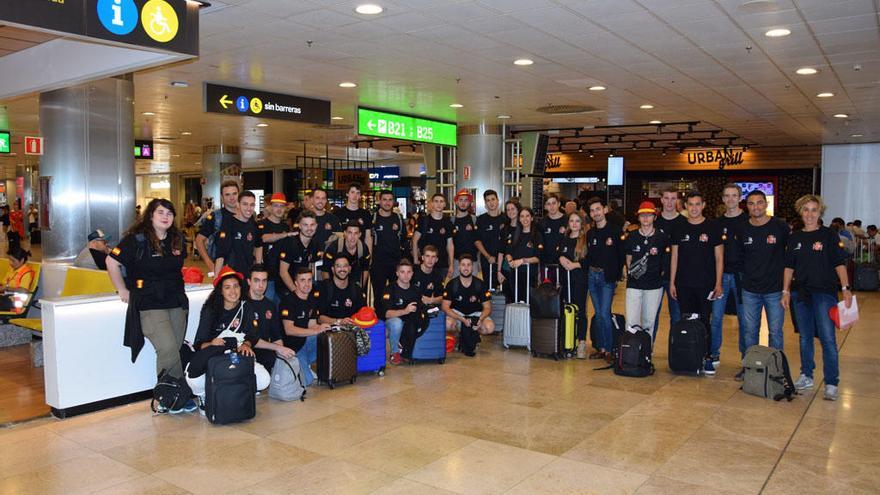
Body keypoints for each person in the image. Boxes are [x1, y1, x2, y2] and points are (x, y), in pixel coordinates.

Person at [106, 198, 193, 413]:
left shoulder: (177, 239)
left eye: (169, 213)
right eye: (160, 212)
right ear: (151, 215)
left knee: (176, 347)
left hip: (175, 300)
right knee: (167, 348)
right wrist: (122, 290)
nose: (165, 217)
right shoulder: (136, 240)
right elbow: (111, 262)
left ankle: (176, 395)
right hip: (149, 302)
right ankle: (168, 397)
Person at [782, 195, 851, 401]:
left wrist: (846, 288)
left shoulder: (829, 235)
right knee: (805, 337)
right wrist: (785, 291)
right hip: (800, 293)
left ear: (820, 213)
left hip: (824, 293)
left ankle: (831, 382)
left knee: (828, 338)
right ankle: (806, 375)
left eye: (814, 210)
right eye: (806, 210)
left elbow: (839, 264)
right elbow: (788, 267)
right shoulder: (794, 238)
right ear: (800, 212)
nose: (810, 214)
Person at [186, 267, 271, 406]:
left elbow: (253, 335)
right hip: (214, 358)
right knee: (192, 379)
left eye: (236, 286)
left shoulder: (246, 307)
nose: (233, 291)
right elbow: (198, 343)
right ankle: (204, 396)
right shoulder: (211, 310)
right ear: (220, 290)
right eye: (227, 287)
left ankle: (234, 392)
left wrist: (246, 344)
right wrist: (212, 343)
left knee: (264, 380)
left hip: (236, 355)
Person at [669, 191, 723, 375]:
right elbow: (674, 256)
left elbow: (719, 258)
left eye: (697, 204)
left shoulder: (713, 227)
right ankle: (688, 356)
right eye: (690, 204)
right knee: (686, 321)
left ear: (703, 205)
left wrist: (718, 283)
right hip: (683, 283)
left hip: (706, 284)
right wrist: (672, 282)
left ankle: (707, 357)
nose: (693, 208)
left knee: (704, 322)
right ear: (685, 206)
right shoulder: (679, 228)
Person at [738, 190, 789, 381]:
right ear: (747, 206)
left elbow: (788, 257)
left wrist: (786, 288)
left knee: (775, 332)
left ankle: (777, 370)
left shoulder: (780, 227)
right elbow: (741, 257)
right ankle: (749, 367)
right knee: (750, 331)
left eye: (759, 203)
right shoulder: (743, 229)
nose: (756, 207)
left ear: (765, 204)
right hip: (750, 289)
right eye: (751, 204)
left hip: (775, 290)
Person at [710, 184, 747, 372]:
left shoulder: (748, 221)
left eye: (734, 195)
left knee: (744, 319)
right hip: (721, 276)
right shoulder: (717, 224)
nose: (731, 199)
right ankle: (714, 353)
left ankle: (746, 357)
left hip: (743, 277)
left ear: (740, 198)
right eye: (727, 196)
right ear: (723, 199)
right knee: (716, 317)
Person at [624, 201, 670, 343]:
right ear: (638, 217)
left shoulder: (662, 238)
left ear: (654, 217)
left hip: (654, 286)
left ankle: (645, 356)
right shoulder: (632, 236)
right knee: (631, 322)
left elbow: (665, 260)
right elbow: (628, 259)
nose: (645, 218)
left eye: (649, 215)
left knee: (648, 323)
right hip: (634, 285)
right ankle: (631, 356)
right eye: (642, 215)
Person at [585, 197, 625, 361]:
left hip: (607, 278)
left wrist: (616, 275)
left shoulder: (615, 231)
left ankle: (609, 349)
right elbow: (588, 256)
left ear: (605, 210)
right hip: (592, 276)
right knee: (598, 313)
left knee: (604, 313)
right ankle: (601, 347)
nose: (596, 213)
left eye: (598, 209)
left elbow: (620, 255)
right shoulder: (590, 233)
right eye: (592, 210)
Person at [280, 267, 330, 387]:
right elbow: (289, 330)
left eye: (309, 280)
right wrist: (316, 330)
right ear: (296, 283)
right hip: (292, 347)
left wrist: (325, 327)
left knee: (326, 336)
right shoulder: (288, 301)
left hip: (304, 342)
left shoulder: (312, 300)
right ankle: (292, 365)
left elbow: (312, 325)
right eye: (302, 280)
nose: (307, 284)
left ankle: (304, 364)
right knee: (306, 381)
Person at [442, 254, 494, 356]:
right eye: (463, 265)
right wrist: (461, 318)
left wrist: (480, 319)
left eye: (469, 265)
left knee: (489, 327)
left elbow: (488, 308)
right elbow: (445, 307)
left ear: (472, 267)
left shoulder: (480, 284)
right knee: (448, 323)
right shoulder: (452, 284)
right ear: (459, 267)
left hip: (475, 314)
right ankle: (459, 337)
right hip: (458, 314)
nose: (466, 268)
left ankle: (474, 337)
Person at [654, 187, 686, 339]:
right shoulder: (654, 222)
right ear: (661, 200)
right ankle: (648, 350)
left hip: (678, 277)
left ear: (678, 201)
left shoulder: (684, 223)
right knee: (652, 316)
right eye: (666, 198)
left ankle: (676, 349)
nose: (669, 202)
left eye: (673, 198)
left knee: (677, 317)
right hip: (656, 276)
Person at [558, 211, 590, 358]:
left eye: (577, 221)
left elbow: (589, 260)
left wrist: (574, 265)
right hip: (566, 281)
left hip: (579, 281)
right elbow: (559, 254)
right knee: (566, 310)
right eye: (572, 221)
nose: (574, 224)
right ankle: (567, 339)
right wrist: (561, 259)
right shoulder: (564, 239)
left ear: (581, 224)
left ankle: (581, 342)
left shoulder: (585, 240)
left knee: (580, 311)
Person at [195, 180, 240, 275]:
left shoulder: (247, 215)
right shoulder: (215, 217)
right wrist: (211, 265)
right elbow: (199, 240)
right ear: (222, 197)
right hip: (223, 270)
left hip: (245, 270)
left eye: (234, 194)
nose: (232, 198)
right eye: (227, 195)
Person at [256, 193, 294, 304]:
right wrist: (285, 235)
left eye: (282, 206)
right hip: (267, 276)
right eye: (276, 206)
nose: (279, 209)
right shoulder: (261, 224)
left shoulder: (285, 227)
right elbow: (264, 238)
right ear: (271, 207)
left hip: (282, 276)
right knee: (267, 307)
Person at [369, 190, 406, 303]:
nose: (387, 202)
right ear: (379, 201)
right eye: (384, 200)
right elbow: (368, 239)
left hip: (395, 263)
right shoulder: (373, 219)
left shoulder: (398, 219)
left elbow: (404, 241)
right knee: (379, 295)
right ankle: (380, 318)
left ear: (393, 202)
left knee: (396, 294)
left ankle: (396, 318)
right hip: (378, 264)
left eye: (390, 200)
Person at [382, 260, 422, 364]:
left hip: (410, 323)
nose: (406, 275)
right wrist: (405, 311)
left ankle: (408, 352)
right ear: (397, 273)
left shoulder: (416, 290)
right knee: (397, 323)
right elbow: (387, 314)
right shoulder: (389, 289)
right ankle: (394, 353)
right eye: (402, 272)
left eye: (409, 272)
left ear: (412, 274)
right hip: (392, 323)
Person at [214, 190, 259, 278]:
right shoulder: (229, 223)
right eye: (245, 204)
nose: (249, 208)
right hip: (232, 276)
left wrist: (258, 267)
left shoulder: (253, 224)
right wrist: (216, 278)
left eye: (252, 205)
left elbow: (259, 244)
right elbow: (221, 254)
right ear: (238, 205)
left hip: (249, 275)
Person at [501, 207, 542, 304]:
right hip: (514, 275)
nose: (525, 219)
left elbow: (538, 258)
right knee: (514, 301)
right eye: (522, 216)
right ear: (519, 219)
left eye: (527, 216)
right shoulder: (515, 234)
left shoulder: (537, 236)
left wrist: (522, 261)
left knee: (528, 302)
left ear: (532, 218)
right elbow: (508, 252)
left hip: (530, 275)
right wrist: (510, 260)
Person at [413, 193, 454, 281]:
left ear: (445, 204)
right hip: (425, 263)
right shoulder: (423, 221)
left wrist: (451, 265)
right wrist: (415, 260)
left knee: (439, 290)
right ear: (431, 203)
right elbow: (415, 241)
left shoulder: (447, 222)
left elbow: (450, 245)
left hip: (442, 264)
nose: (439, 204)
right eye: (436, 201)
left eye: (441, 201)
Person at [315, 256, 366, 326]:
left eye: (345, 266)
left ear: (349, 269)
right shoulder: (324, 288)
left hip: (351, 329)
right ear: (333, 269)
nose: (342, 269)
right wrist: (339, 321)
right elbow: (319, 318)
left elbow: (363, 313)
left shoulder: (356, 289)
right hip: (329, 330)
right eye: (338, 266)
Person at [279, 211, 321, 294]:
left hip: (303, 287)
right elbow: (283, 272)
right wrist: (296, 293)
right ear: (300, 226)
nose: (309, 228)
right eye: (305, 225)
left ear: (316, 226)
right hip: (287, 288)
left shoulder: (315, 244)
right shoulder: (290, 243)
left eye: (312, 225)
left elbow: (311, 268)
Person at [322, 221, 371, 288]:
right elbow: (325, 270)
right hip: (335, 284)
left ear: (360, 235)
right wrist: (328, 289)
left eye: (356, 233)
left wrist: (360, 288)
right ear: (345, 233)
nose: (352, 237)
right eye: (350, 233)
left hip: (354, 283)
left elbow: (365, 270)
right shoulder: (334, 248)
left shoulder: (363, 249)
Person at [475, 189, 505, 289]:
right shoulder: (481, 219)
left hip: (504, 262)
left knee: (505, 290)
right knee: (489, 288)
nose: (491, 202)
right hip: (487, 261)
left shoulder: (506, 218)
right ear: (485, 203)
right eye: (488, 200)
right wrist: (488, 256)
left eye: (493, 199)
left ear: (498, 200)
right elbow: (477, 241)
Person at [538, 193, 567, 284]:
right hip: (546, 265)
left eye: (554, 203)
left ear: (559, 204)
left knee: (563, 295)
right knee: (547, 296)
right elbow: (539, 246)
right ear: (545, 206)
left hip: (564, 264)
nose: (551, 206)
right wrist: (540, 269)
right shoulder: (542, 223)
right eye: (548, 204)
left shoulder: (567, 220)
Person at [335, 183, 373, 250]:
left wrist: (369, 256)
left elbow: (368, 237)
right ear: (347, 194)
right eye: (352, 192)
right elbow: (336, 236)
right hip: (342, 253)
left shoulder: (366, 214)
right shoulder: (338, 214)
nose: (355, 195)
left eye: (358, 193)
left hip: (360, 252)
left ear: (360, 196)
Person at [496, 199, 520, 302]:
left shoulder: (525, 227)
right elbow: (501, 252)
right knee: (509, 298)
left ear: (518, 210)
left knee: (521, 298)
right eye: (508, 210)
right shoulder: (504, 229)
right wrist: (499, 271)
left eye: (513, 209)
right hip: (507, 269)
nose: (511, 212)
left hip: (521, 269)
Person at [451, 189, 478, 277]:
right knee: (456, 288)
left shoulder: (475, 220)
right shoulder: (451, 221)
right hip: (456, 262)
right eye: (461, 200)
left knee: (472, 288)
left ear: (469, 202)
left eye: (466, 200)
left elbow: (479, 241)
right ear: (456, 202)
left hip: (473, 261)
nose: (463, 203)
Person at [0, 246, 35, 312]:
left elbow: (24, 291)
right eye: (9, 259)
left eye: (13, 260)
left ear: (22, 260)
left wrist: (6, 288)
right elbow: (4, 283)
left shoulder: (26, 273)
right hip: (6, 297)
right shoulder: (12, 269)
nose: (10, 263)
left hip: (15, 301)